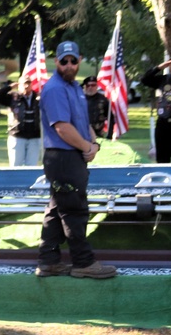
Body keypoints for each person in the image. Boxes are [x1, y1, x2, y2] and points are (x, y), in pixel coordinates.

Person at [36, 42, 117, 280]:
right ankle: (83, 262)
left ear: (79, 59)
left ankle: (49, 261)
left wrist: (92, 143)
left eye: (73, 60)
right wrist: (87, 148)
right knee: (74, 210)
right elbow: (62, 128)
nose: (69, 65)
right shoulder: (55, 89)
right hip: (63, 157)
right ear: (56, 62)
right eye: (64, 61)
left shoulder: (74, 88)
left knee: (55, 210)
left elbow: (82, 122)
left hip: (71, 157)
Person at [0, 77, 41, 167]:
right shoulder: (13, 98)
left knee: (32, 167)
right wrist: (9, 87)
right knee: (15, 166)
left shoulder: (38, 98)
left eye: (29, 83)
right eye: (24, 83)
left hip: (34, 137)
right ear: (19, 85)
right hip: (17, 136)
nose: (26, 86)